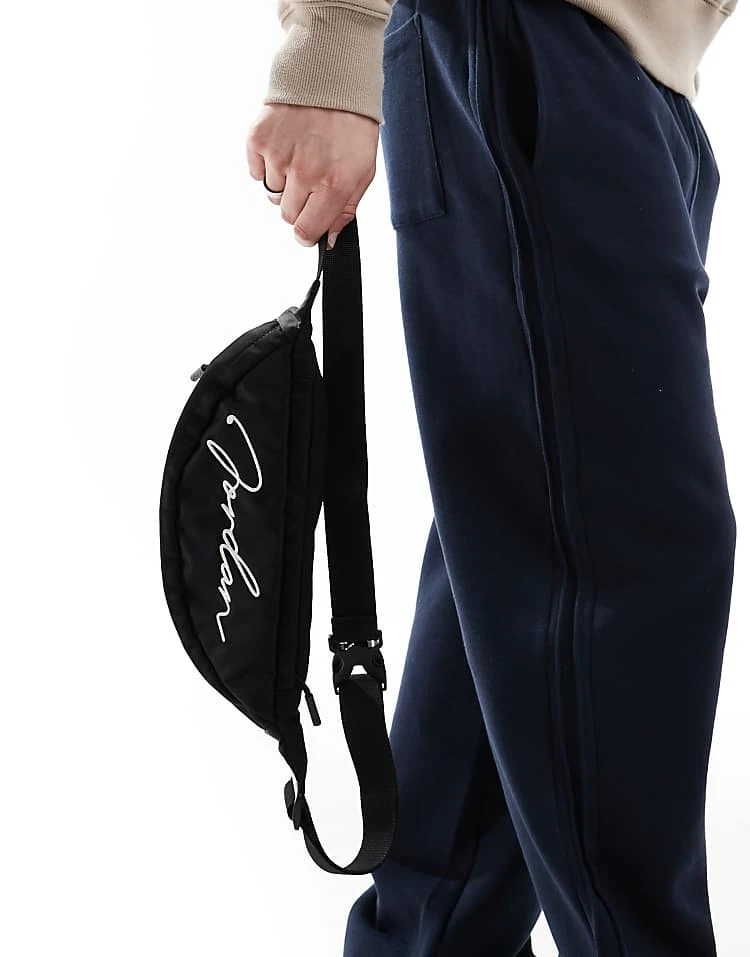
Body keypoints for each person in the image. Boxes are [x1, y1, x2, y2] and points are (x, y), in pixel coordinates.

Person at [247, 0, 739, 954]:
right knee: (621, 572)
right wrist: (336, 33)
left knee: (529, 567)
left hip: (633, 78)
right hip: (530, 45)